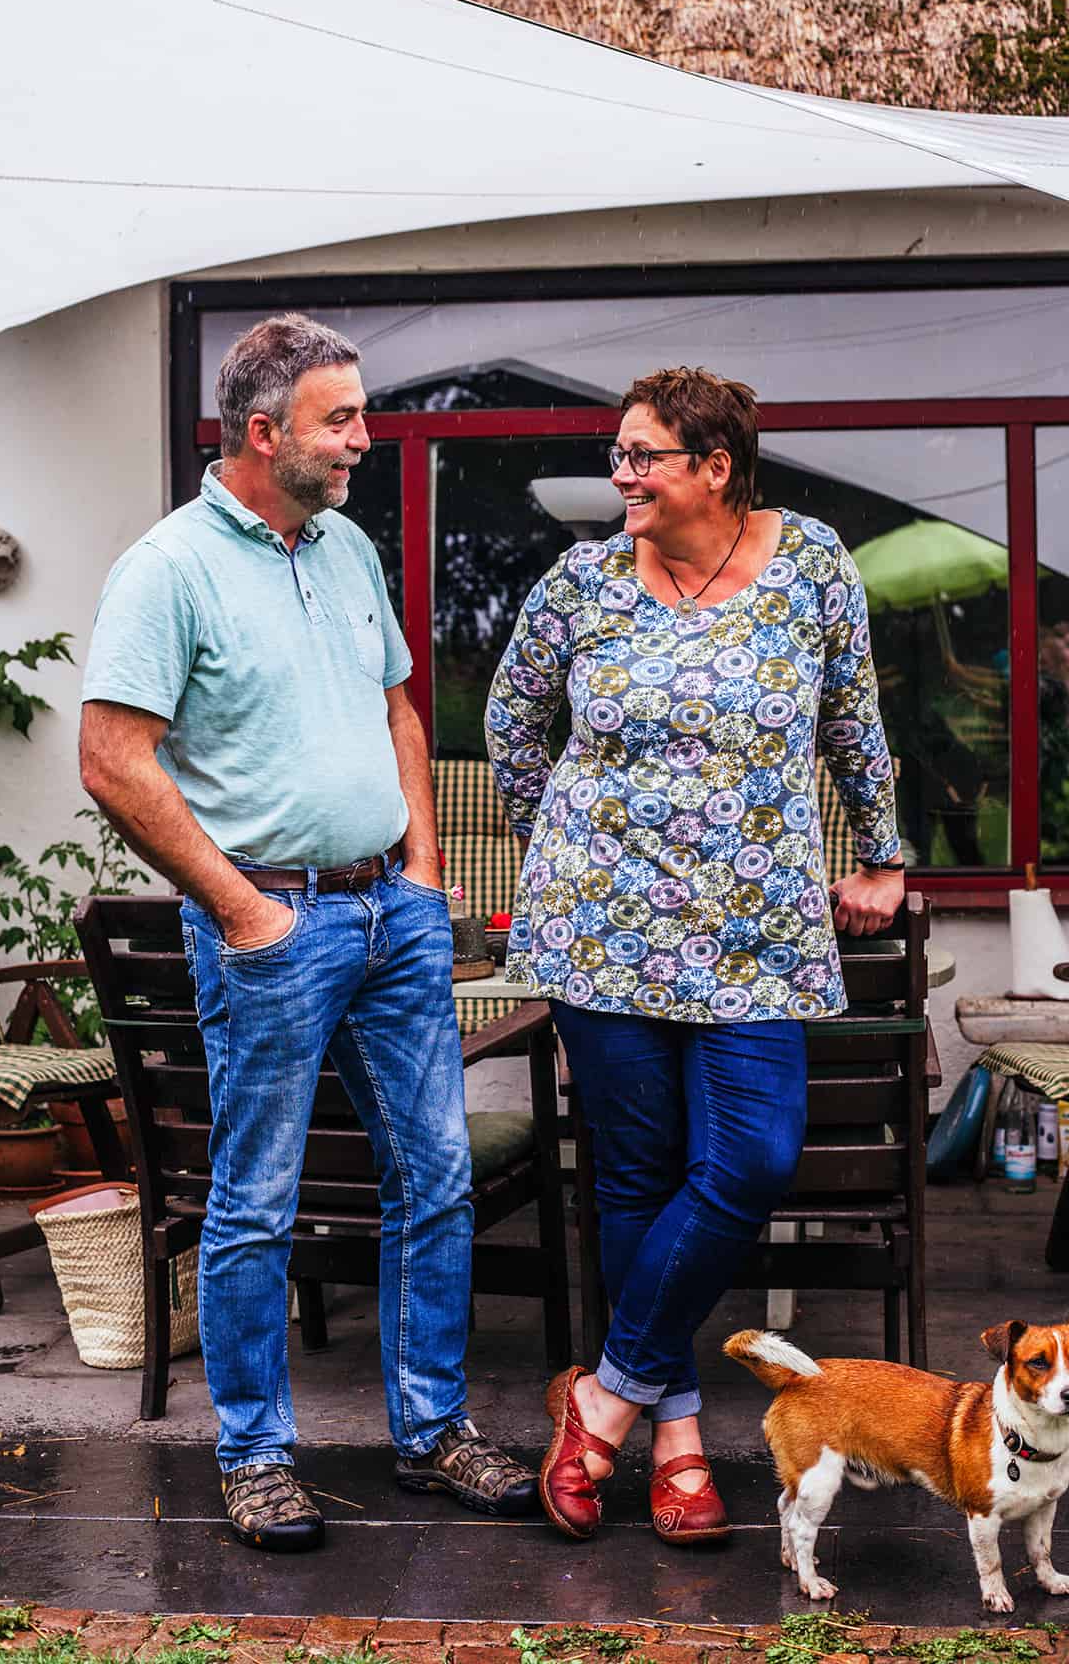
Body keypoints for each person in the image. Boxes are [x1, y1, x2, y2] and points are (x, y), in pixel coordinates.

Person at [79, 313, 537, 1552]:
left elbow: (399, 705)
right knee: (256, 1200)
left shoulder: (340, 549)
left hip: (392, 907)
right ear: (264, 430)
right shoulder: (167, 568)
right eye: (343, 420)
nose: (366, 441)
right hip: (273, 924)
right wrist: (242, 909)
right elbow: (113, 761)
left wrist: (428, 874)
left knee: (435, 1176)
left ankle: (433, 1432)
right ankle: (257, 1454)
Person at [485, 367, 905, 1545]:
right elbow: (513, 723)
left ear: (715, 467)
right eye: (616, 455)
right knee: (636, 1175)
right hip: (603, 928)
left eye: (643, 457)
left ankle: (605, 1398)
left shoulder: (812, 561)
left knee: (751, 1160)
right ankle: (675, 1436)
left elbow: (851, 723)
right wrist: (559, 844)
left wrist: (883, 853)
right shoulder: (582, 582)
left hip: (757, 929)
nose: (622, 476)